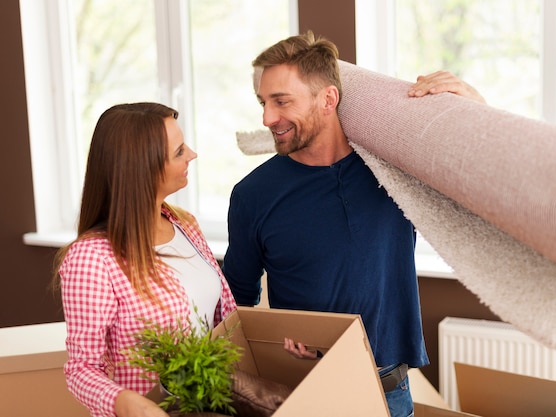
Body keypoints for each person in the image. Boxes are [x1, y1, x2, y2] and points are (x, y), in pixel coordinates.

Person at [221, 31, 485, 417]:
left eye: (281, 101)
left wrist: (471, 104)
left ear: (328, 99)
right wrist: (279, 341)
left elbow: (479, 185)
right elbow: (235, 307)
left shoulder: (394, 170)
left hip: (391, 393)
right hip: (306, 392)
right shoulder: (253, 194)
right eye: (263, 102)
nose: (267, 118)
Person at [53, 102, 237, 417]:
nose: (192, 154)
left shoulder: (186, 225)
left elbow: (223, 322)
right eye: (179, 151)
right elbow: (83, 369)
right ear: (143, 168)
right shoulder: (92, 258)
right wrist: (125, 403)